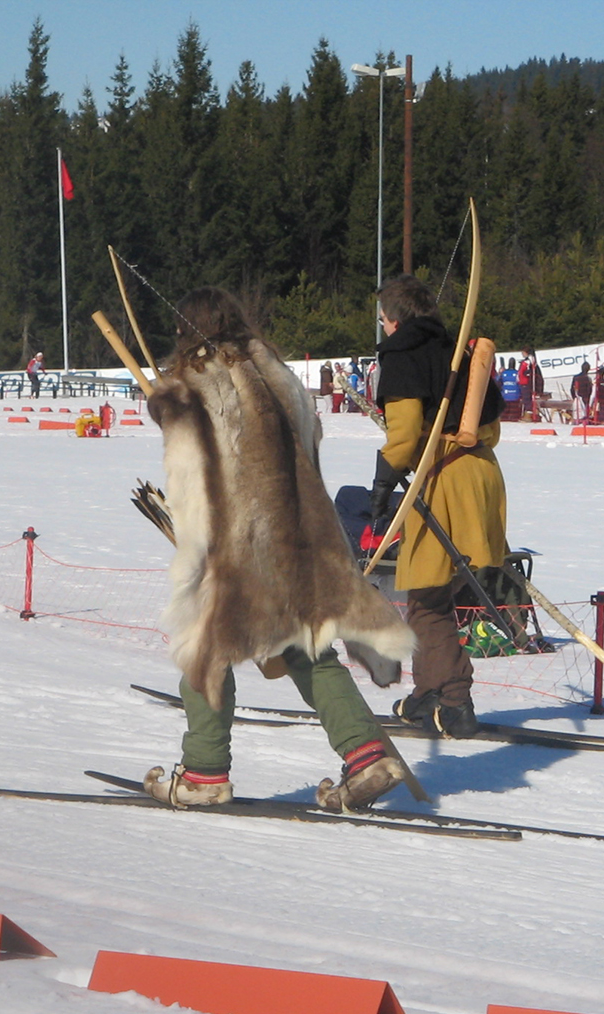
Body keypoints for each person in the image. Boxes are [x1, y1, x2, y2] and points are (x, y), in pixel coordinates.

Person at [145, 287, 411, 811]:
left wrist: (164, 405)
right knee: (306, 645)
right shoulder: (277, 371)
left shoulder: (197, 378)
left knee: (206, 647)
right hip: (303, 536)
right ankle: (367, 755)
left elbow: (192, 457)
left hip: (243, 540)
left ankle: (202, 774)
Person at [368, 274, 507, 739]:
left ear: (396, 319)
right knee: (443, 595)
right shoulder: (459, 353)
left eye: (385, 319)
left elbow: (404, 436)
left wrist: (384, 476)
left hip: (444, 478)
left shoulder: (404, 353)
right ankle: (428, 693)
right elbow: (490, 422)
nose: (385, 328)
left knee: (429, 598)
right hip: (481, 474)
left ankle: (455, 702)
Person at [498, 357, 523, 422]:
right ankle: (514, 417)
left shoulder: (503, 373)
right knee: (514, 411)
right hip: (515, 396)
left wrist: (499, 373)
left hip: (505, 396)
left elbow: (498, 382)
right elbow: (520, 385)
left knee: (505, 410)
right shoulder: (518, 373)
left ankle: (504, 417)